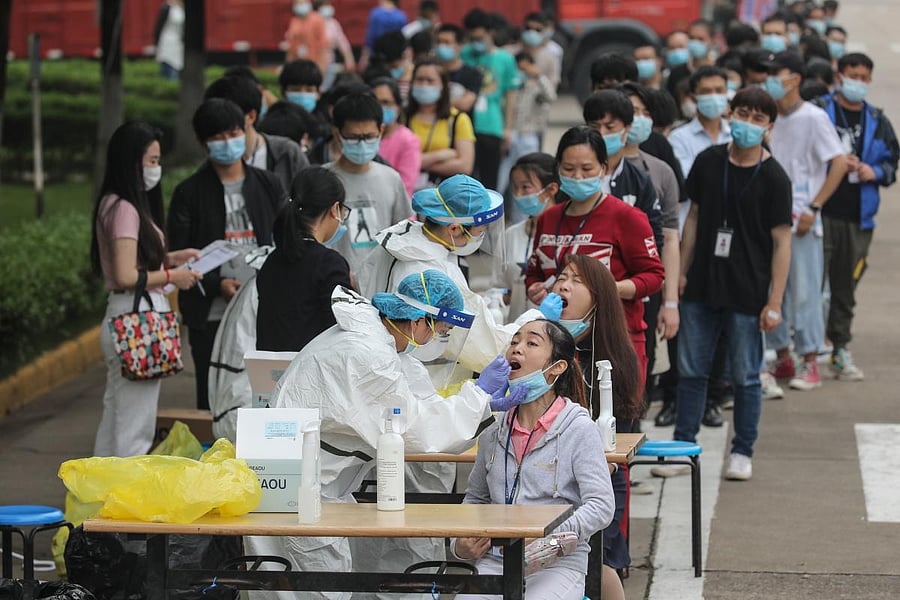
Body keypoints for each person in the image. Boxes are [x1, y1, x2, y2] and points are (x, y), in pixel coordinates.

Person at [245, 270, 516, 600]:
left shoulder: (377, 340)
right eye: (440, 330)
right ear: (417, 321)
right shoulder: (368, 355)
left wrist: (479, 401)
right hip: (297, 485)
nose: (439, 339)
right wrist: (478, 395)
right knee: (319, 588)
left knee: (294, 584)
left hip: (299, 477)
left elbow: (415, 395)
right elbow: (416, 430)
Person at [452, 318, 615, 600]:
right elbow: (476, 499)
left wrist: (546, 535)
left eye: (531, 343)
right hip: (496, 561)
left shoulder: (578, 428)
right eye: (514, 341)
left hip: (558, 562)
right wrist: (459, 545)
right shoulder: (493, 428)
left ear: (557, 368)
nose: (517, 349)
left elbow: (601, 506)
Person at [675, 87, 792, 481]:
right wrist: (681, 271)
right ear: (731, 114)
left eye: (758, 119)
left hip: (748, 290)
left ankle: (742, 450)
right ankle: (681, 445)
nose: (748, 123)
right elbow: (693, 219)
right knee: (691, 370)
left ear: (769, 127)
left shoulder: (774, 177)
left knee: (745, 375)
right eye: (743, 114)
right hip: (702, 284)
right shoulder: (709, 162)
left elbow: (782, 242)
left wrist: (774, 301)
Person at [167, 98, 288, 410]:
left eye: (233, 133)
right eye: (218, 137)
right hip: (211, 313)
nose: (227, 142)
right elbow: (179, 254)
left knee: (265, 395)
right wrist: (216, 283)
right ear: (203, 142)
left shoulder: (268, 184)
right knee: (213, 396)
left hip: (264, 307)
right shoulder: (189, 193)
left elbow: (285, 239)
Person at [90, 121, 202, 456]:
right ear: (131, 161)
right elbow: (126, 274)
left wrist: (170, 258)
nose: (156, 169)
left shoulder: (112, 203)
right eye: (151, 161)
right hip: (136, 322)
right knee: (134, 429)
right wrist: (172, 276)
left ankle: (99, 498)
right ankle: (121, 503)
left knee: (116, 417)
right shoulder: (126, 209)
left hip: (124, 318)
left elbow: (131, 259)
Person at [524, 126, 665, 378]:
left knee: (615, 415)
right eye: (569, 169)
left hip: (614, 343)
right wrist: (535, 288)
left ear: (603, 168)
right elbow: (534, 270)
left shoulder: (627, 217)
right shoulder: (549, 219)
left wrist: (611, 289)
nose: (577, 176)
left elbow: (654, 276)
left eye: (587, 169)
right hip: (557, 346)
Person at [550, 255, 642, 600]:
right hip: (545, 477)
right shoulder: (540, 349)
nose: (563, 284)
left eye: (576, 280)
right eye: (561, 276)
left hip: (597, 478)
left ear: (598, 296)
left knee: (597, 564)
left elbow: (622, 434)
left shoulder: (614, 357)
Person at [763, 50, 849, 391]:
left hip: (802, 220)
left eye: (776, 74)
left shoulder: (813, 117)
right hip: (772, 218)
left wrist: (814, 207)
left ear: (795, 78)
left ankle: (811, 359)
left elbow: (839, 162)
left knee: (805, 292)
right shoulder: (770, 119)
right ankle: (784, 355)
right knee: (774, 292)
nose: (771, 80)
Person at [815, 53, 899, 381]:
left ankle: (839, 347)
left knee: (846, 285)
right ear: (839, 76)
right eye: (853, 75)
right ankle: (802, 348)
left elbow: (893, 162)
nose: (858, 83)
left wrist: (873, 171)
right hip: (820, 212)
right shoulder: (820, 112)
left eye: (864, 77)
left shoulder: (877, 119)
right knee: (809, 283)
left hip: (857, 217)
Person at [256, 167, 352, 351]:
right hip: (313, 373)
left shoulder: (271, 261)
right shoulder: (329, 264)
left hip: (272, 374)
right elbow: (340, 333)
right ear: (334, 209)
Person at [324, 92, 412, 272]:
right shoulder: (322, 179)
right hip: (333, 278)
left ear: (381, 130)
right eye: (353, 137)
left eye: (369, 136)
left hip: (381, 279)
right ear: (336, 133)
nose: (362, 144)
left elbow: (403, 233)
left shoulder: (391, 178)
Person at [204, 75, 310, 194]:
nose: (220, 125)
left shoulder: (288, 153)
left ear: (251, 116)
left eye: (227, 117)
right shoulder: (210, 167)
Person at [462, 8, 520, 191]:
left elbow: (511, 95)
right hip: (466, 124)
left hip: (492, 125)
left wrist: (508, 128)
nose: (476, 43)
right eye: (472, 39)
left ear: (490, 33)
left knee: (489, 180)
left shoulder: (505, 59)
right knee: (466, 180)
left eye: (479, 38)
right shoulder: (464, 54)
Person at [502, 153, 560, 321]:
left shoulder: (565, 234)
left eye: (525, 187)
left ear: (551, 190)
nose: (518, 194)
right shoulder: (511, 234)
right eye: (515, 188)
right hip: (517, 331)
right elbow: (499, 286)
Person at [496, 52, 556, 206]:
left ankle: (523, 215)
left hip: (528, 136)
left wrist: (539, 76)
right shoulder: (508, 87)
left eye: (526, 69)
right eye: (519, 69)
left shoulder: (535, 87)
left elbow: (551, 96)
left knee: (528, 179)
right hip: (510, 134)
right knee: (500, 179)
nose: (522, 73)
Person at [407, 58, 477, 185]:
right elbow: (392, 160)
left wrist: (415, 163)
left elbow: (465, 166)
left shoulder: (458, 119)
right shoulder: (402, 117)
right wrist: (439, 156)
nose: (424, 85)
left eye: (430, 81)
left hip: (444, 193)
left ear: (443, 86)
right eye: (419, 79)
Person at [371, 77, 422, 196]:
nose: (380, 108)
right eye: (375, 102)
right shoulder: (364, 137)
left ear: (398, 106)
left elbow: (405, 184)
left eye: (386, 102)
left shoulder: (408, 140)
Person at [435, 24, 483, 114]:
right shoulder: (432, 71)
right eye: (438, 42)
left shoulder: (472, 74)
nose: (441, 46)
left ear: (459, 45)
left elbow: (466, 104)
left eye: (446, 42)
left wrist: (435, 104)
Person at [317, 0, 356, 90]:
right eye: (325, 5)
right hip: (315, 61)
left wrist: (349, 59)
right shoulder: (314, 21)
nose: (328, 7)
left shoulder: (333, 23)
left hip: (329, 61)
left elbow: (343, 42)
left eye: (329, 5)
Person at [285, 0, 330, 72]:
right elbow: (291, 46)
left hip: (314, 62)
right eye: (298, 4)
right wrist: (288, 66)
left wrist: (321, 67)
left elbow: (323, 45)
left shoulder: (317, 19)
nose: (301, 6)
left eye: (302, 3)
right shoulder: (294, 21)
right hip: (298, 62)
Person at [153, 0, 184, 80]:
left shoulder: (182, 8)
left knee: (177, 70)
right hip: (166, 43)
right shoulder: (167, 7)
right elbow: (158, 27)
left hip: (179, 45)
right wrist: (156, 44)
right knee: (169, 73)